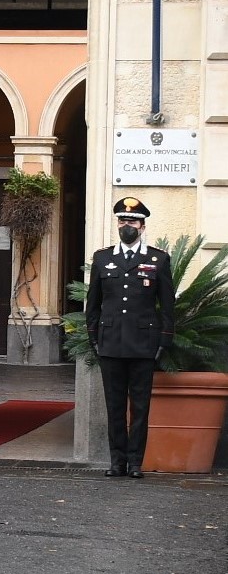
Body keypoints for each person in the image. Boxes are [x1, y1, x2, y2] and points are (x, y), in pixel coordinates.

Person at [86, 197, 174, 479]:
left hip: (143, 344)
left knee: (140, 407)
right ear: (118, 225)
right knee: (114, 407)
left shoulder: (158, 259)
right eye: (123, 221)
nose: (127, 226)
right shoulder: (102, 258)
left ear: (143, 226)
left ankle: (135, 463)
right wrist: (93, 337)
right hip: (110, 342)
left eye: (133, 221)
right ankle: (117, 463)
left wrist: (164, 340)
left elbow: (168, 304)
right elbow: (93, 304)